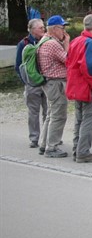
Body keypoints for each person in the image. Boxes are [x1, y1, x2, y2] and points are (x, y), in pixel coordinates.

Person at [66, 14, 92, 163]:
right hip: (87, 85)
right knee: (90, 118)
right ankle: (83, 152)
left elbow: (68, 61)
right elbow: (88, 66)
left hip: (75, 84)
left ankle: (77, 149)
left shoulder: (76, 41)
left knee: (79, 119)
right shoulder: (91, 43)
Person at [37, 15, 70, 158]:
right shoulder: (53, 44)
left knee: (51, 114)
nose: (64, 31)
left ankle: (44, 144)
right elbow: (68, 60)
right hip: (56, 83)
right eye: (62, 28)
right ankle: (52, 147)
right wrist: (67, 43)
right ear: (55, 29)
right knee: (58, 115)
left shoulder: (44, 40)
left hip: (48, 82)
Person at [15, 18, 47, 148]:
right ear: (32, 29)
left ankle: (48, 137)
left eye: (43, 27)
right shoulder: (24, 44)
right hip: (32, 84)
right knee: (33, 112)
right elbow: (18, 66)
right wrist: (27, 82)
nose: (43, 30)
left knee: (48, 111)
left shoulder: (46, 42)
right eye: (40, 28)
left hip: (46, 82)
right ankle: (34, 138)